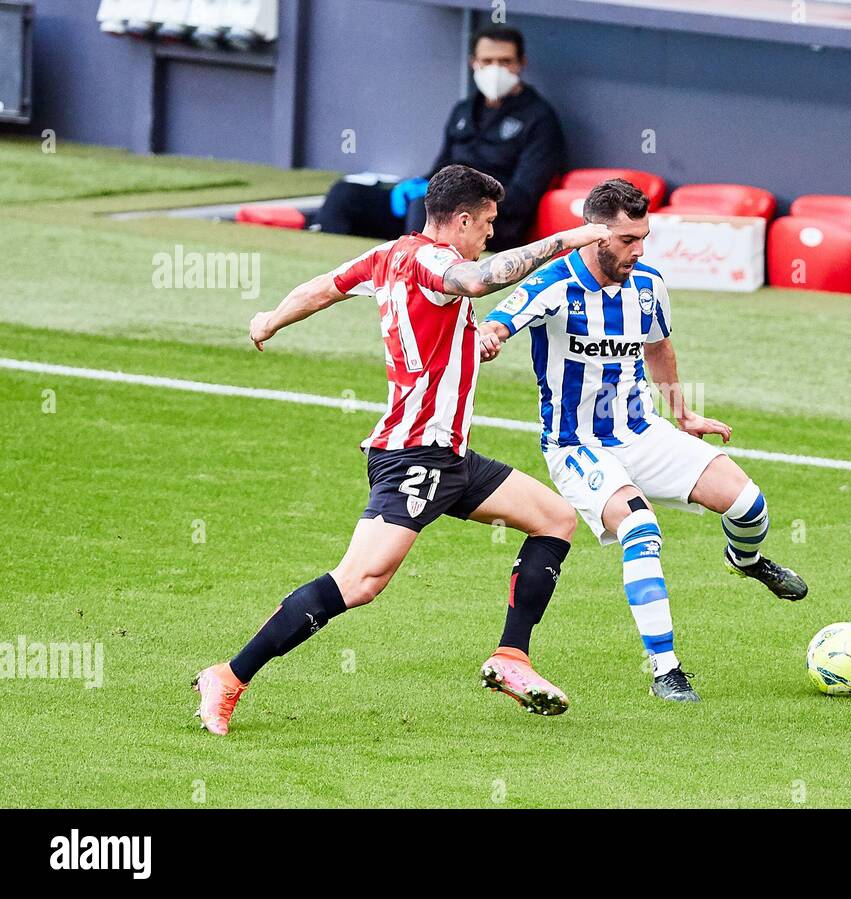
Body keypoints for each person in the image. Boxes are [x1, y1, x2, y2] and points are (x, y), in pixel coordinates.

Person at [192, 165, 610, 734]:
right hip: (416, 455)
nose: (490, 233)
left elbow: (322, 288)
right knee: (360, 581)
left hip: (450, 456)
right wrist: (570, 240)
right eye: (486, 223)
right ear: (460, 221)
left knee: (555, 519)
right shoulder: (434, 260)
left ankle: (511, 657)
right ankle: (230, 675)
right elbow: (481, 279)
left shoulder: (390, 254)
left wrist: (270, 319)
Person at [477, 179, 809, 704]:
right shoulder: (552, 285)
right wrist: (492, 337)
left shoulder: (649, 283)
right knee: (640, 528)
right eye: (628, 239)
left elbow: (659, 347)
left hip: (644, 431)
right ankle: (665, 668)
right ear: (594, 236)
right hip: (577, 445)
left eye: (644, 237)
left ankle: (744, 561)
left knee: (749, 505)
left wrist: (682, 411)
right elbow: (495, 321)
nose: (639, 250)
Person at [316, 25, 564, 250]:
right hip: (437, 212)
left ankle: (414, 277)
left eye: (505, 61)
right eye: (487, 61)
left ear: (521, 63)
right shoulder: (464, 110)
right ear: (473, 63)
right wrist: (415, 185)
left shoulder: (539, 118)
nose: (495, 69)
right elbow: (440, 169)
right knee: (345, 195)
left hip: (488, 223)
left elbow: (523, 198)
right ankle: (331, 267)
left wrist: (455, 200)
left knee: (422, 209)